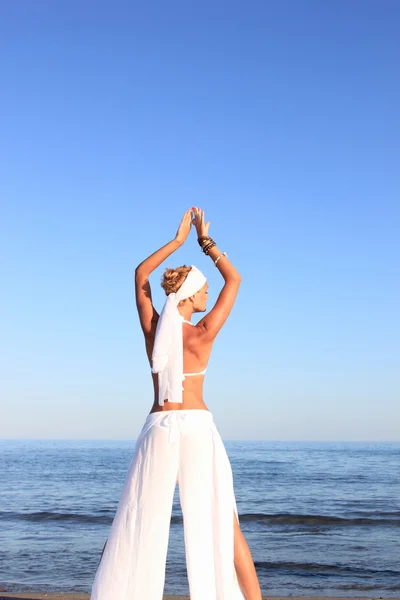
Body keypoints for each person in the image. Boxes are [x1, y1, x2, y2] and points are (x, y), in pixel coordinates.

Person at [89, 208, 262, 600]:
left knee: (132, 519)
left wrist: (178, 240)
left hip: (159, 429)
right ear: (190, 295)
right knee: (224, 524)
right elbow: (234, 279)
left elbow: (140, 276)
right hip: (197, 429)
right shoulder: (203, 333)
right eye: (202, 290)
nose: (206, 294)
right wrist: (205, 242)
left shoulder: (153, 330)